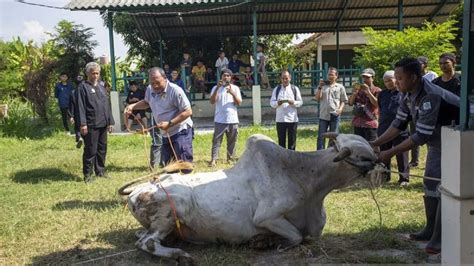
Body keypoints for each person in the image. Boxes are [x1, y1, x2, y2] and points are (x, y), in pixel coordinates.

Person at [371, 57, 459, 255]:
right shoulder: (407, 94)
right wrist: (376, 143)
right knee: (429, 183)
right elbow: (398, 123)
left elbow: (420, 136)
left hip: (457, 143)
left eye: (400, 78)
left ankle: (440, 236)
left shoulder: (430, 95)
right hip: (438, 143)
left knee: (445, 186)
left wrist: (389, 153)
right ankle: (429, 229)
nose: (397, 82)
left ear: (413, 77)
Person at [124, 67, 194, 171]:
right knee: (169, 168)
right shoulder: (150, 89)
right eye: (152, 83)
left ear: (165, 79)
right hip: (165, 134)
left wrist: (170, 123)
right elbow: (147, 103)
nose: (155, 86)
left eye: (158, 82)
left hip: (181, 131)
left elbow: (188, 111)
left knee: (184, 167)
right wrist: (133, 106)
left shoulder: (175, 90)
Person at [76, 62, 115, 183]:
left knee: (102, 149)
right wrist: (82, 124)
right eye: (93, 73)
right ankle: (87, 175)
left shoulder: (102, 86)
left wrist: (110, 122)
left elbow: (106, 105)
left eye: (97, 73)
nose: (95, 76)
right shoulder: (82, 87)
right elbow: (80, 107)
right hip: (91, 124)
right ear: (87, 74)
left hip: (103, 123)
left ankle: (100, 171)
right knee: (90, 150)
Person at [377, 70, 409, 185]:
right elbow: (380, 109)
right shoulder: (382, 94)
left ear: (396, 79)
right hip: (384, 127)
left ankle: (404, 178)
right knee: (384, 152)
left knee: (402, 153)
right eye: (385, 81)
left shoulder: (404, 93)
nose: (388, 83)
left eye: (390, 80)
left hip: (400, 128)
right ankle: (385, 176)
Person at [208, 69, 242, 167]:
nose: (225, 77)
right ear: (221, 76)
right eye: (224, 75)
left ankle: (230, 158)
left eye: (228, 75)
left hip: (232, 119)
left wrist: (232, 93)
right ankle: (214, 160)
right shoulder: (215, 87)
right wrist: (217, 89)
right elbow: (212, 101)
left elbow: (239, 102)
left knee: (232, 141)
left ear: (231, 78)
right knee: (216, 141)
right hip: (220, 119)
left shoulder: (235, 88)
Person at [314, 67, 347, 150]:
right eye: (329, 74)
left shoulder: (340, 87)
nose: (330, 76)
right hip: (323, 115)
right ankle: (319, 153)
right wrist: (320, 87)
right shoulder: (322, 86)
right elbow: (317, 98)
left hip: (335, 114)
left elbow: (344, 100)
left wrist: (340, 110)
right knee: (321, 136)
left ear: (336, 76)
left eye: (332, 74)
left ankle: (331, 153)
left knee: (334, 137)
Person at [270, 70, 303, 150]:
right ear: (280, 79)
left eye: (286, 78)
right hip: (280, 119)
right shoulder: (277, 89)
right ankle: (282, 159)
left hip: (292, 119)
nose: (285, 80)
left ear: (290, 78)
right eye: (283, 78)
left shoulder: (294, 89)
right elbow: (271, 103)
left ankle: (292, 159)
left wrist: (293, 102)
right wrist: (278, 103)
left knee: (292, 142)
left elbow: (300, 102)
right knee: (281, 142)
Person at [348, 68, 381, 141]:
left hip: (370, 123)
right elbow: (350, 103)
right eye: (363, 77)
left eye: (367, 77)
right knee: (359, 146)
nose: (365, 79)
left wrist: (368, 92)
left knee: (371, 147)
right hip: (358, 122)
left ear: (373, 78)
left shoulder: (377, 90)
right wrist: (354, 94)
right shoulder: (358, 89)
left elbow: (377, 104)